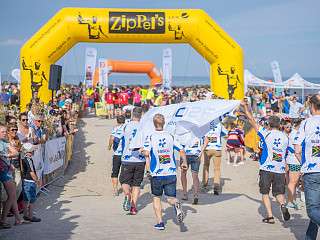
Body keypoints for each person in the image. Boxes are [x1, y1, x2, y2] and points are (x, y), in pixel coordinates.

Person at [243, 102, 290, 224]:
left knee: (265, 192)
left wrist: (245, 107)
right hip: (279, 169)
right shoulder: (285, 137)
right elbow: (287, 153)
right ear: (279, 125)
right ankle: (283, 205)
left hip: (266, 168)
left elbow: (251, 119)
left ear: (269, 124)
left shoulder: (265, 132)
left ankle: (270, 216)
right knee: (279, 193)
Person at [144, 114, 187, 230]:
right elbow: (182, 150)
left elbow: (147, 154)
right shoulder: (170, 136)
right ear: (164, 123)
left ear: (154, 123)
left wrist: (148, 170)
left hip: (157, 173)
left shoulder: (151, 137)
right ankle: (176, 204)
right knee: (170, 198)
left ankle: (160, 223)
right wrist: (184, 163)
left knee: (156, 197)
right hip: (171, 172)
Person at [294, 94, 320, 240]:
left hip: (312, 171)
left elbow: (297, 149)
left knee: (312, 211)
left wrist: (303, 165)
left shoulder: (306, 123)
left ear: (311, 106)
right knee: (317, 210)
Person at [119, 107, 145, 215]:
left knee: (124, 181)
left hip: (127, 158)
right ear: (141, 115)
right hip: (140, 159)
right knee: (136, 184)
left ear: (132, 114)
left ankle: (127, 194)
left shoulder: (126, 125)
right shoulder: (144, 127)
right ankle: (133, 207)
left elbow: (118, 139)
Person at [0, 125, 24, 228]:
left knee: (12, 195)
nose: (4, 133)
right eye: (2, 131)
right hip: (3, 172)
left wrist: (6, 156)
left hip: (7, 170)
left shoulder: (4, 142)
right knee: (11, 195)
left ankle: (16, 219)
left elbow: (16, 152)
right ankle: (3, 220)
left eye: (5, 131)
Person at [201, 122, 227, 195]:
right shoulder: (219, 123)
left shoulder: (205, 123)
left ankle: (204, 185)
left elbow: (201, 135)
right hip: (217, 148)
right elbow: (225, 133)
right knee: (217, 169)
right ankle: (216, 187)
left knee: (206, 166)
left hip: (207, 148)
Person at [21, 143, 41, 222]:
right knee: (32, 199)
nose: (33, 151)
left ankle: (25, 215)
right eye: (32, 150)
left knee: (26, 199)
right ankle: (30, 216)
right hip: (29, 181)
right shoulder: (28, 159)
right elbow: (31, 172)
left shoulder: (23, 159)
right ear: (29, 151)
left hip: (25, 181)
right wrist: (37, 181)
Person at [285, 119, 302, 210]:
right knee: (293, 182)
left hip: (291, 160)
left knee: (292, 183)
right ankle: (290, 201)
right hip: (295, 160)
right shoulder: (296, 134)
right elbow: (297, 151)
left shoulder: (293, 133)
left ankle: (292, 200)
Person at [181, 136, 202, 204]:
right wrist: (201, 153)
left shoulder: (183, 132)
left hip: (185, 155)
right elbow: (207, 140)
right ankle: (196, 194)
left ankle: (185, 194)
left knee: (183, 174)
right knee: (195, 176)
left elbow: (179, 145)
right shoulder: (199, 131)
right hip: (196, 155)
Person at [108, 115, 125, 196]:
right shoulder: (127, 127)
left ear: (117, 121)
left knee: (115, 172)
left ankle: (115, 190)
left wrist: (109, 147)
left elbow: (112, 138)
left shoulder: (116, 128)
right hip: (126, 154)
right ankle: (127, 188)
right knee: (125, 172)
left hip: (117, 154)